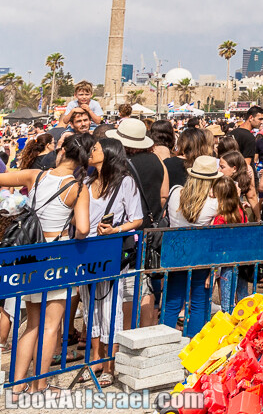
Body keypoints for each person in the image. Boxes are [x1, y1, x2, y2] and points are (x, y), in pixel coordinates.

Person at [0, 135, 90, 392]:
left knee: (32, 324)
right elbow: (83, 228)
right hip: (57, 257)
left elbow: (2, 178)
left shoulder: (36, 176)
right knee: (51, 327)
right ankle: (39, 385)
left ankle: (17, 385)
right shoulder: (78, 188)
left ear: (62, 151)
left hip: (30, 256)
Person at [80, 137, 143, 387]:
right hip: (86, 252)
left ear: (107, 154)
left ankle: (110, 363)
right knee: (90, 307)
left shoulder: (125, 182)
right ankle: (94, 360)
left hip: (111, 251)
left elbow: (136, 219)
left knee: (110, 308)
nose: (90, 152)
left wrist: (115, 231)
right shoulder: (85, 180)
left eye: (95, 149)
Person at [111, 118, 166, 328]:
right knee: (146, 284)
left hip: (127, 231)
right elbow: (163, 195)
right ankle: (146, 329)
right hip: (149, 230)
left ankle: (127, 331)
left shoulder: (120, 165)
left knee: (128, 287)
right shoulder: (157, 161)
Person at [161, 155, 220, 338]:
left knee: (172, 301)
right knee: (199, 303)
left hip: (175, 252)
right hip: (201, 256)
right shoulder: (214, 203)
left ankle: (165, 345)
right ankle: (192, 345)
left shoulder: (175, 192)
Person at [211, 176, 249, 311]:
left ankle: (228, 317)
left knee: (227, 297)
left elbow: (215, 239)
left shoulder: (220, 216)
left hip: (225, 259)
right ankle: (245, 316)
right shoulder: (240, 209)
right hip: (240, 256)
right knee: (242, 293)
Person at [219, 150, 260, 221]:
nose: (218, 170)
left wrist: (258, 219)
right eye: (219, 166)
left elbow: (252, 196)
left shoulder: (246, 176)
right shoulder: (218, 181)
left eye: (222, 167)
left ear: (234, 169)